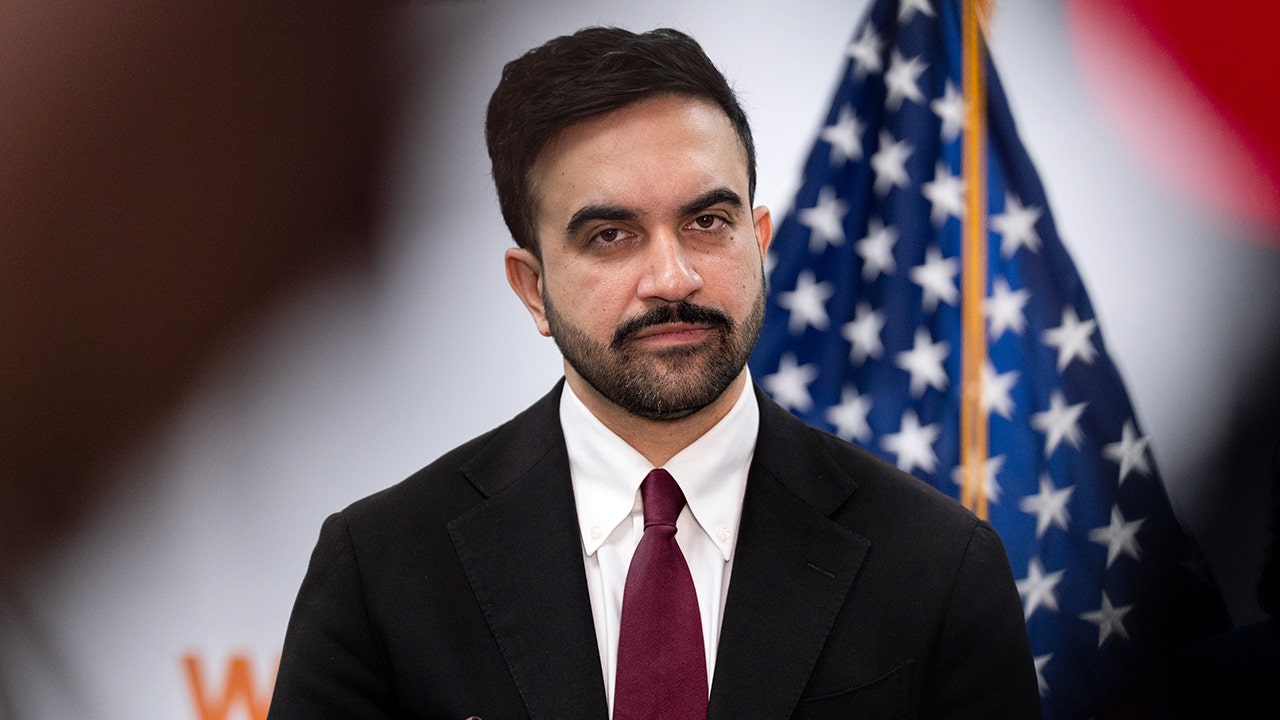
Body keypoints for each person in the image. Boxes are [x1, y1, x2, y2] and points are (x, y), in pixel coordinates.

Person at [268, 26, 1041, 720]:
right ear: (532, 288)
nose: (673, 278)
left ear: (759, 241)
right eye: (611, 235)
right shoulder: (381, 573)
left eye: (707, 222)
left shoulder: (939, 567)